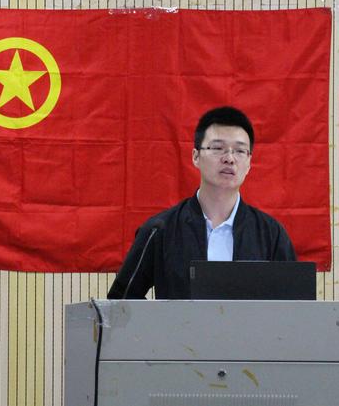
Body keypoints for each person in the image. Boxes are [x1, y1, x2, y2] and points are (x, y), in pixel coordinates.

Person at [107, 106, 297, 299]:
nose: (229, 159)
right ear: (196, 157)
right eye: (218, 148)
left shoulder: (271, 234)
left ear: (249, 163)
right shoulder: (160, 230)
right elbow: (120, 301)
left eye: (240, 151)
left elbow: (295, 306)